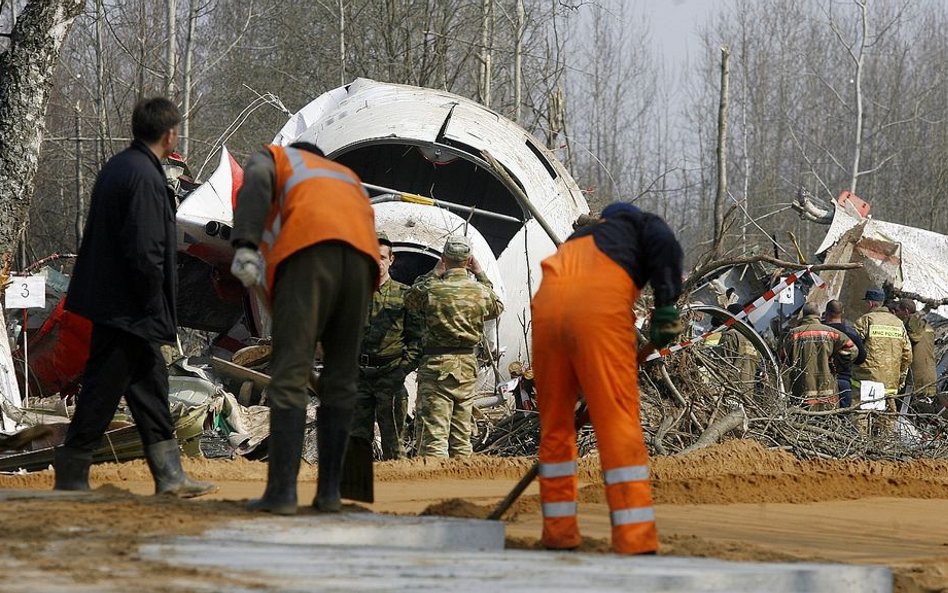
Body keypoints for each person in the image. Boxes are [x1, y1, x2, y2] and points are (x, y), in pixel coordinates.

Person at [53, 98, 214, 498]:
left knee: (150, 386)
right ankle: (72, 471)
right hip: (129, 308)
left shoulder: (120, 166)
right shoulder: (144, 175)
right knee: (103, 389)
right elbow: (145, 250)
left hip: (119, 305)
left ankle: (169, 475)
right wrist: (152, 304)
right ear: (171, 133)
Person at [230, 141, 379, 514]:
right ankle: (330, 494)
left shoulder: (278, 158)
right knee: (341, 382)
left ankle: (281, 494)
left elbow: (257, 177)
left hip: (309, 250)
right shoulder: (346, 177)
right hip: (362, 266)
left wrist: (245, 244)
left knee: (290, 377)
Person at [531, 201, 683, 555]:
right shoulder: (640, 223)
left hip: (547, 310)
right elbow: (666, 243)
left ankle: (559, 533)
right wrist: (666, 304)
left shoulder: (579, 237)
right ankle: (635, 539)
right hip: (597, 310)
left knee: (556, 426)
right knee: (616, 421)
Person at [405, 235, 503, 458]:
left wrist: (434, 273)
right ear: (468, 260)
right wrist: (480, 274)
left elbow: (411, 299)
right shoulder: (479, 291)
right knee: (461, 438)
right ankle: (461, 487)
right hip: (467, 369)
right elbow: (496, 306)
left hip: (436, 369)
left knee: (434, 439)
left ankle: (433, 487)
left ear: (444, 259)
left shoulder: (432, 290)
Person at [350, 232, 422, 460]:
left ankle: (397, 492)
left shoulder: (404, 295)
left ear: (391, 259)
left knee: (394, 444)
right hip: (358, 378)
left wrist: (401, 370)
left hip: (389, 377)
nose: (377, 263)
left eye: (382, 257)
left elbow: (418, 339)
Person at [852, 288, 912, 434]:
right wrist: (900, 377)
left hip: (866, 380)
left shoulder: (866, 320)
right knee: (887, 419)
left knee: (861, 415)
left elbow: (852, 347)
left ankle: (858, 447)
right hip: (890, 382)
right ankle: (884, 450)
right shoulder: (898, 324)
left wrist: (853, 365)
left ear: (871, 303)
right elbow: (907, 355)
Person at [782, 303, 858, 410]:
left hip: (801, 391)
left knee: (801, 423)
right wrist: (836, 366)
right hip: (827, 391)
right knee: (828, 422)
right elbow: (852, 350)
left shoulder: (793, 335)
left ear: (804, 315)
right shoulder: (832, 333)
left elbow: (782, 357)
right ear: (818, 315)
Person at [894, 299, 942, 415]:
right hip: (930, 375)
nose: (896, 314)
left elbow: (912, 332)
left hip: (915, 377)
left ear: (905, 311)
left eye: (898, 311)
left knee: (904, 409)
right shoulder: (927, 327)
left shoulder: (911, 326)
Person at [822, 300, 866, 408]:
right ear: (842, 312)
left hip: (822, 382)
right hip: (843, 381)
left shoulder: (820, 332)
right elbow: (861, 358)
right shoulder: (851, 333)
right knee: (842, 417)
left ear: (827, 313)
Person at [718, 303, 759, 393]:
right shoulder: (752, 339)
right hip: (747, 392)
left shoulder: (731, 335)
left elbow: (724, 366)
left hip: (732, 389)